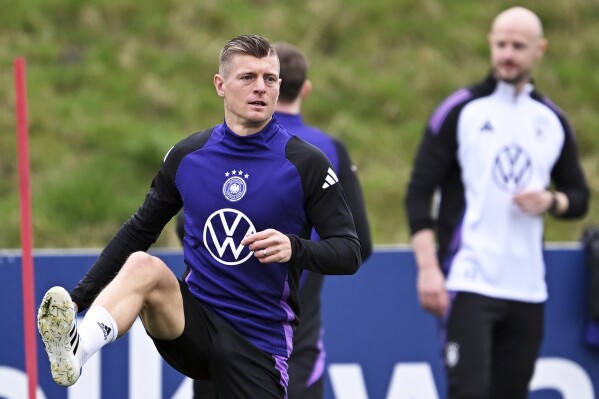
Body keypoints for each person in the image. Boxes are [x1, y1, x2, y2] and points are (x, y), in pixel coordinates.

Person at [37, 34, 362, 399]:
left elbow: (349, 250)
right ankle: (76, 348)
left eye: (269, 79)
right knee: (144, 266)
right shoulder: (187, 156)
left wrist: (295, 247)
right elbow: (138, 232)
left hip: (258, 342)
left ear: (280, 86)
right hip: (195, 322)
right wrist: (80, 297)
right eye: (248, 77)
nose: (260, 88)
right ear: (220, 85)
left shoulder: (306, 162)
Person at [405, 7, 589, 399]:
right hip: (468, 280)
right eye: (501, 43)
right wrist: (427, 268)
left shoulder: (551, 120)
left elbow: (579, 197)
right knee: (468, 392)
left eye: (518, 46)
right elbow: (419, 191)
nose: (507, 54)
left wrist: (551, 201)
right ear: (490, 43)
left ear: (540, 50)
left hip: (527, 288)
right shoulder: (461, 110)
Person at [178, 41, 372, 399]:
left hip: (216, 325)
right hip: (291, 331)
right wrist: (298, 255)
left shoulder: (215, 147)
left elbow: (189, 225)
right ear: (306, 89)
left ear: (278, 83)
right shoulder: (324, 150)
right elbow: (359, 244)